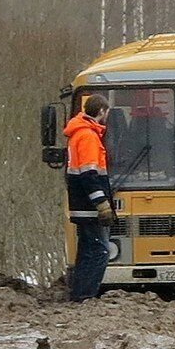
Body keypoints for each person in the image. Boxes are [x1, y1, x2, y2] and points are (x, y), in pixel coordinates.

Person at [64, 95, 113, 301]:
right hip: (89, 206)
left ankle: (80, 293)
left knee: (87, 249)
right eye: (107, 112)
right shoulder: (88, 136)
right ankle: (86, 295)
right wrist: (101, 203)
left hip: (82, 204)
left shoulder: (79, 133)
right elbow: (89, 175)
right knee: (100, 251)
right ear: (101, 111)